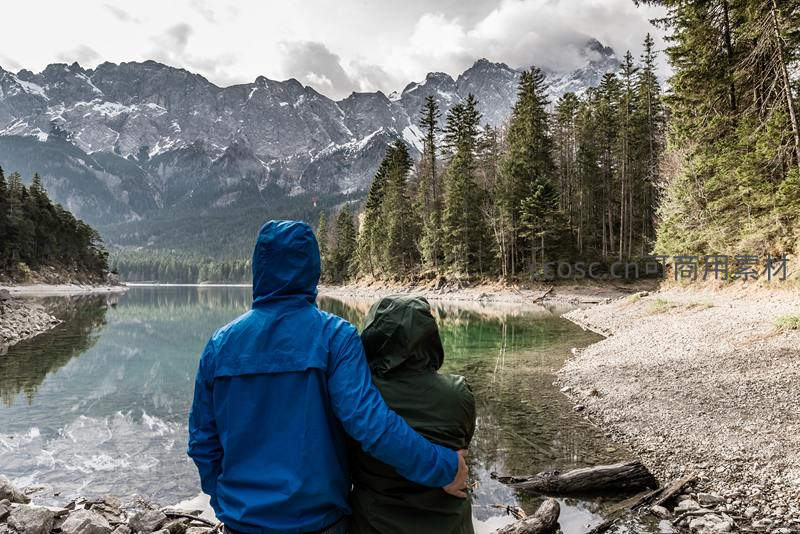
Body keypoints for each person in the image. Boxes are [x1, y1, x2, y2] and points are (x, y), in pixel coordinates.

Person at [187, 220, 468, 534]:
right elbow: (371, 426)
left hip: (242, 524)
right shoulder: (336, 336)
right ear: (312, 269)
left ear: (259, 267)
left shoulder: (219, 345)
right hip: (320, 524)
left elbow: (202, 444)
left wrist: (228, 499)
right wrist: (445, 467)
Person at [350, 295, 476, 534]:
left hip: (374, 525)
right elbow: (463, 446)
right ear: (429, 336)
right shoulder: (459, 394)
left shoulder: (360, 397)